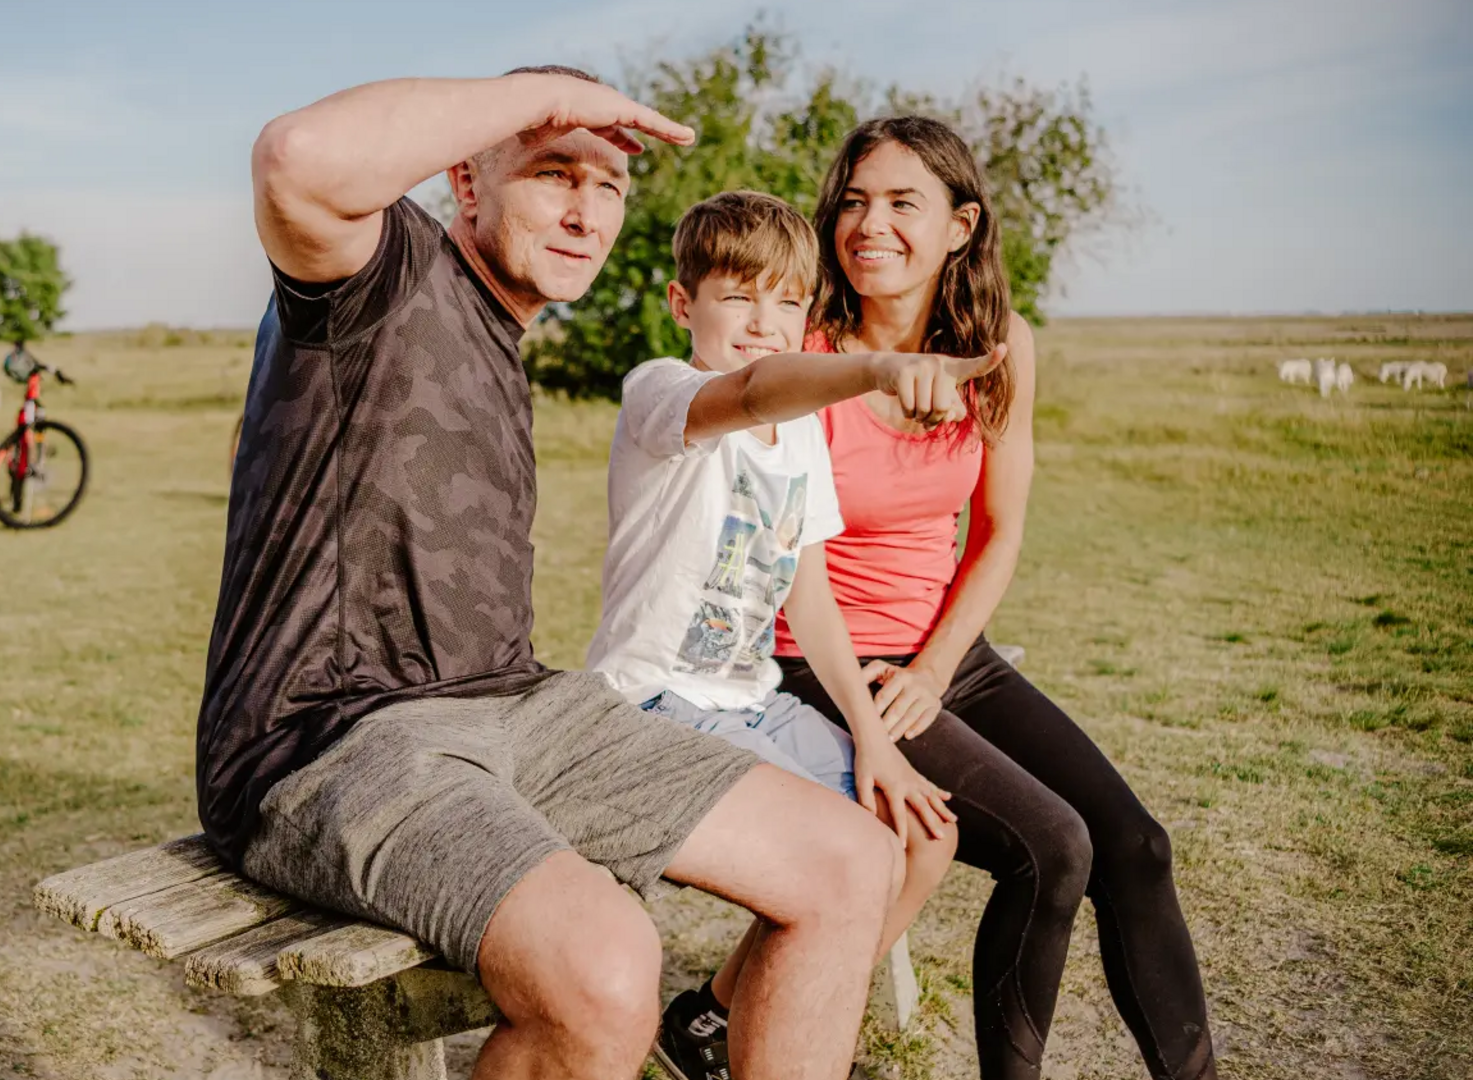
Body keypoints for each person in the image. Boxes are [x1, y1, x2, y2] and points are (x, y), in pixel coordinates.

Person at [196, 67, 978, 1080]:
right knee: (608, 967)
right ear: (467, 186)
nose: (584, 209)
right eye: (552, 171)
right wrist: (539, 91)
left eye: (608, 185)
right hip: (331, 736)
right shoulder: (382, 275)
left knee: (855, 859)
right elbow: (295, 160)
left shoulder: (500, 333)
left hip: (516, 706)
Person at [769, 115, 1219, 1080]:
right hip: (819, 660)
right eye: (852, 201)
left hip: (942, 655)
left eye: (901, 203)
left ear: (961, 225)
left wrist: (936, 669)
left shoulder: (1000, 344)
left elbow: (999, 534)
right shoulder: (804, 349)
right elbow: (785, 566)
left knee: (1134, 844)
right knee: (1052, 847)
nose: (868, 225)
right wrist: (892, 694)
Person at [585, 190, 991, 1080]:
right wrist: (881, 368)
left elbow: (808, 600)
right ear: (682, 303)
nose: (763, 321)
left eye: (786, 302)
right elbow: (757, 386)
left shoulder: (800, 435)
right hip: (650, 706)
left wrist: (874, 740)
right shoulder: (664, 395)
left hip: (750, 703)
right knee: (846, 857)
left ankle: (724, 1026)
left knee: (923, 834)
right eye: (738, 296)